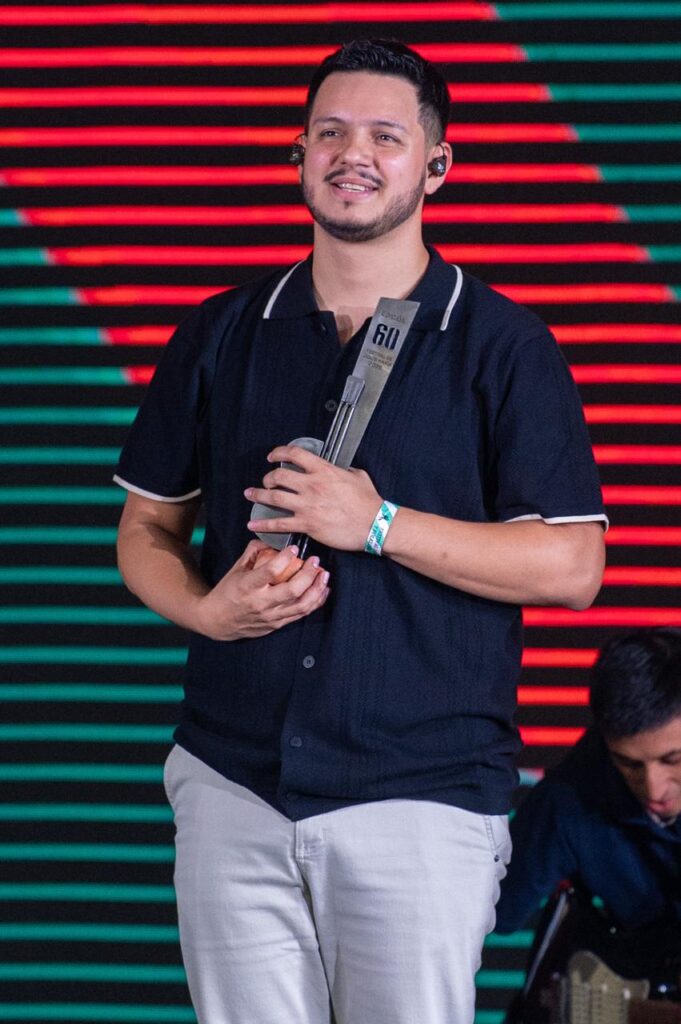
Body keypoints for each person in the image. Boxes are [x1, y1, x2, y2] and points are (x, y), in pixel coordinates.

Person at [115, 39, 606, 1024]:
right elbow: (145, 528)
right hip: (232, 780)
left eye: (386, 136)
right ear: (298, 154)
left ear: (436, 165)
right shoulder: (221, 330)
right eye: (331, 133)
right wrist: (208, 612)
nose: (354, 154)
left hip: (419, 794)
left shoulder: (502, 344)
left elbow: (571, 565)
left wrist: (375, 521)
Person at [496, 628, 681, 937]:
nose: (654, 789)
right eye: (629, 763)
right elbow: (498, 913)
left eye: (673, 759)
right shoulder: (571, 797)